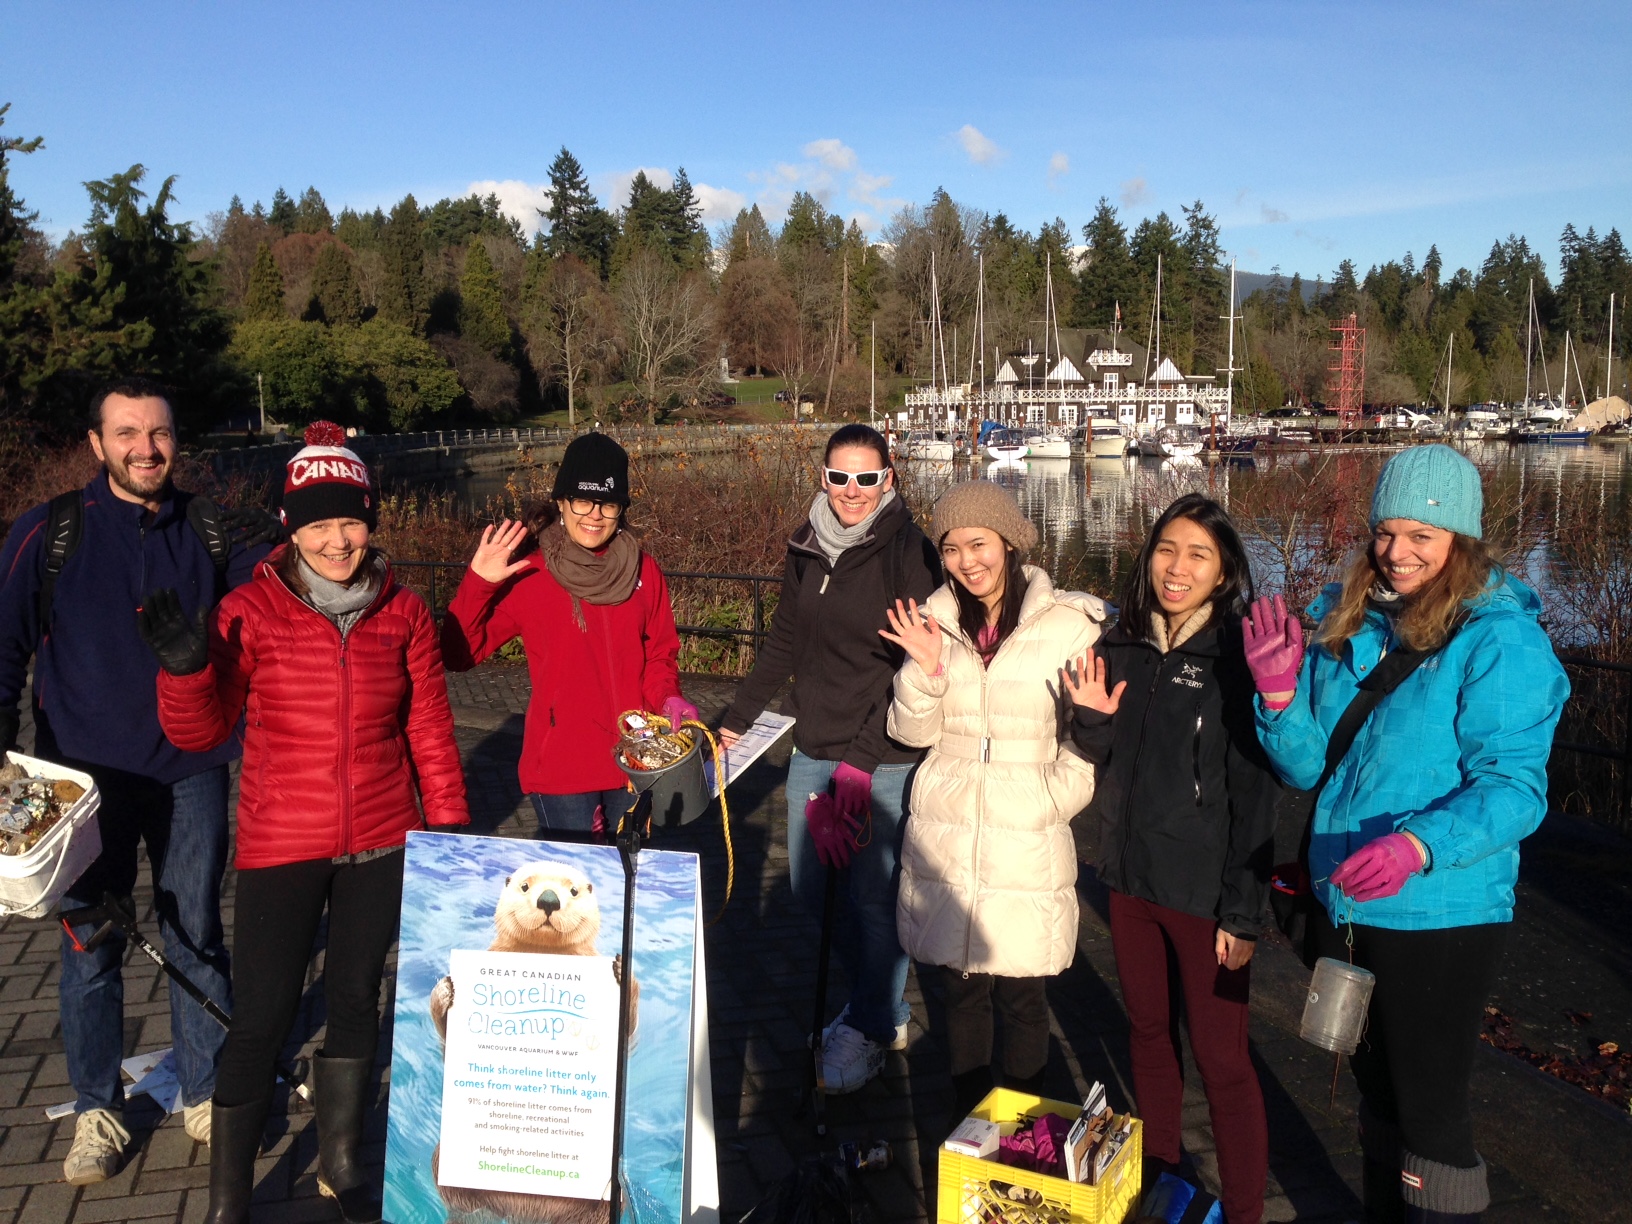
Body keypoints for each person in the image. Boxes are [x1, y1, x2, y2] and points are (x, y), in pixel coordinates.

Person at [143, 421, 469, 1224]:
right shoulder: (248, 610)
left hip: (384, 839)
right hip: (281, 843)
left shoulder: (405, 614)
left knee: (357, 997)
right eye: (318, 522)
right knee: (262, 1016)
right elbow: (202, 730)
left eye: (350, 520)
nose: (336, 539)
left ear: (371, 519)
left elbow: (429, 731)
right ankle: (226, 1203)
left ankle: (342, 1163)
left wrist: (450, 837)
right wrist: (185, 672)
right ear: (290, 525)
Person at [1246, 445, 1568, 1224]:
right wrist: (1280, 694)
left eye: (1422, 535)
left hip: (1441, 912)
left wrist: (1419, 844)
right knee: (1378, 1096)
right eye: (1386, 532)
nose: (1396, 552)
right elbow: (1304, 767)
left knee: (1430, 1111)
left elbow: (1514, 789)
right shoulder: (1353, 620)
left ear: (1460, 539)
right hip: (1347, 902)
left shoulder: (1499, 641)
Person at [0, 378, 279, 1184]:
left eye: (158, 434)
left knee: (194, 929)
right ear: (97, 443)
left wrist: (323, 531)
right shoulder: (48, 534)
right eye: (127, 433)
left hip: (192, 771)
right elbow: (4, 649)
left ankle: (203, 1089)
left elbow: (292, 589)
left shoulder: (213, 530)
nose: (145, 448)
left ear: (176, 441)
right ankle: (97, 1107)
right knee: (90, 944)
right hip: (79, 787)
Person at [1063, 494, 1279, 1224]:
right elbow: (1099, 756)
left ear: (1223, 575)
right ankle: (1163, 1176)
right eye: (1166, 549)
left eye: (1198, 556)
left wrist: (1244, 913)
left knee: (1222, 1064)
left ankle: (1246, 1210)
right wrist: (1090, 721)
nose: (1176, 568)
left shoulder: (1236, 661)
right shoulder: (1122, 645)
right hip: (1128, 883)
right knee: (1148, 1036)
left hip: (1205, 901)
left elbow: (1255, 797)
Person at [719, 424, 940, 1093]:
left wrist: (863, 762)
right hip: (814, 744)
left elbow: (915, 667)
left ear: (889, 479)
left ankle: (875, 1026)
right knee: (811, 887)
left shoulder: (909, 550)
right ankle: (881, 1002)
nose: (852, 491)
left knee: (872, 899)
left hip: (882, 752)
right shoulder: (807, 543)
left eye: (866, 478)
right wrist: (735, 719)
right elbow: (784, 637)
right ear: (822, 478)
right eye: (840, 477)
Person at [881, 480, 1107, 1116]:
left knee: (1022, 996)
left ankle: (1021, 1132)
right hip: (949, 828)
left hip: (1024, 833)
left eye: (977, 543)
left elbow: (1089, 737)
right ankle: (970, 1132)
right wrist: (922, 672)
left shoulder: (1066, 624)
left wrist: (1050, 798)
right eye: (950, 548)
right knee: (960, 991)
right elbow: (910, 733)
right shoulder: (936, 622)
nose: (965, 561)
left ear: (1008, 542)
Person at [441, 432, 695, 841]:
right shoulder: (530, 572)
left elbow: (659, 654)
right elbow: (458, 653)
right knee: (572, 891)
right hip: (562, 770)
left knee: (624, 889)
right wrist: (478, 584)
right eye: (582, 500)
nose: (594, 515)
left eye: (608, 503)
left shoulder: (644, 571)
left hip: (635, 761)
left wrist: (668, 696)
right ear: (561, 501)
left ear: (621, 509)